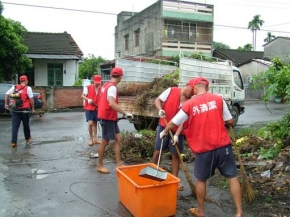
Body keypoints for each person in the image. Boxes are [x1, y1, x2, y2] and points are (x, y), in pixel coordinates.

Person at [160, 77, 243, 217]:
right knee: (232, 177)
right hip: (223, 146)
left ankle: (201, 211)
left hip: (204, 149)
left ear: (194, 87)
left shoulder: (190, 104)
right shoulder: (218, 99)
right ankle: (239, 212)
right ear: (207, 87)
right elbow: (229, 121)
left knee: (201, 179)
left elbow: (173, 123)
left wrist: (164, 132)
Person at [153, 79, 195, 191]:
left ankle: (174, 180)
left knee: (175, 155)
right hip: (163, 126)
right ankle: (152, 174)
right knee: (158, 151)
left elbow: (184, 120)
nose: (191, 94)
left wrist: (176, 135)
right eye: (190, 91)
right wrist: (160, 110)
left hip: (178, 131)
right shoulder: (171, 90)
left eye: (193, 93)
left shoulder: (190, 101)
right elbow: (157, 100)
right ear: (186, 85)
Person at [97, 67, 133, 174]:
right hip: (107, 117)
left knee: (118, 138)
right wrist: (125, 113)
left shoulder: (106, 85)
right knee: (105, 141)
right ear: (121, 76)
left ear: (112, 75)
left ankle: (119, 163)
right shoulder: (112, 87)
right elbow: (111, 103)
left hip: (109, 116)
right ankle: (99, 165)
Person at [4, 75, 35, 147]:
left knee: (15, 126)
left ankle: (13, 142)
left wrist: (6, 104)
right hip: (25, 110)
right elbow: (31, 99)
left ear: (20, 81)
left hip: (15, 110)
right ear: (26, 81)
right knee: (26, 125)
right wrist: (33, 108)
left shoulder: (14, 87)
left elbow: (6, 94)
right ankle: (27, 138)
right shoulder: (28, 88)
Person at [81, 75, 102, 146]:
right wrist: (88, 99)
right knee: (90, 123)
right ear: (93, 81)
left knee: (95, 123)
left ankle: (96, 139)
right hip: (89, 108)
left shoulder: (101, 88)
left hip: (97, 107)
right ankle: (91, 139)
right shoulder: (88, 87)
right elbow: (82, 96)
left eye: (99, 83)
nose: (97, 84)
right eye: (96, 83)